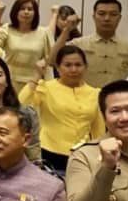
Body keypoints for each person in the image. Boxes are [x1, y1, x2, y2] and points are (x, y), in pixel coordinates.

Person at [22, 44, 103, 174]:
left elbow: (98, 131)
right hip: (49, 152)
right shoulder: (46, 88)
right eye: (68, 65)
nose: (73, 69)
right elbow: (21, 104)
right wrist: (37, 75)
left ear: (86, 67)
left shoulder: (96, 93)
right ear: (58, 68)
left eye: (78, 65)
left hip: (82, 154)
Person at [74, 0, 128, 89]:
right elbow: (52, 61)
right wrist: (67, 30)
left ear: (119, 18)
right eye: (101, 13)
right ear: (94, 16)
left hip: (118, 99)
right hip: (85, 100)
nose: (107, 18)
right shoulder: (78, 44)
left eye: (113, 14)